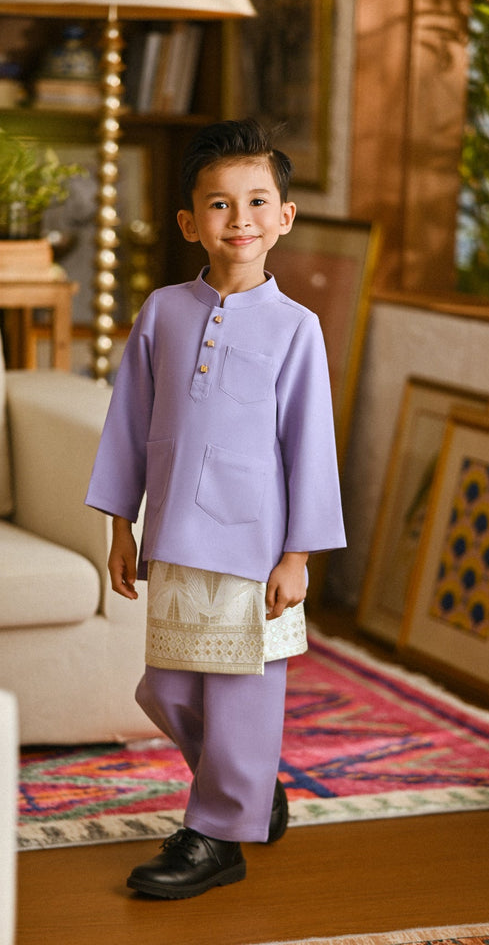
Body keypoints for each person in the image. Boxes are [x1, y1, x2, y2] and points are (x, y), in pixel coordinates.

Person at [85, 118, 346, 899]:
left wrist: (297, 555)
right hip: (172, 534)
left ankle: (217, 835)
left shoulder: (296, 328)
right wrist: (119, 525)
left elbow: (310, 446)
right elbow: (128, 424)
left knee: (238, 696)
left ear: (284, 217)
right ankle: (247, 785)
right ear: (188, 222)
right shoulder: (162, 312)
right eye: (219, 204)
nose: (240, 219)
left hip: (255, 547)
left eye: (257, 201)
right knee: (164, 690)